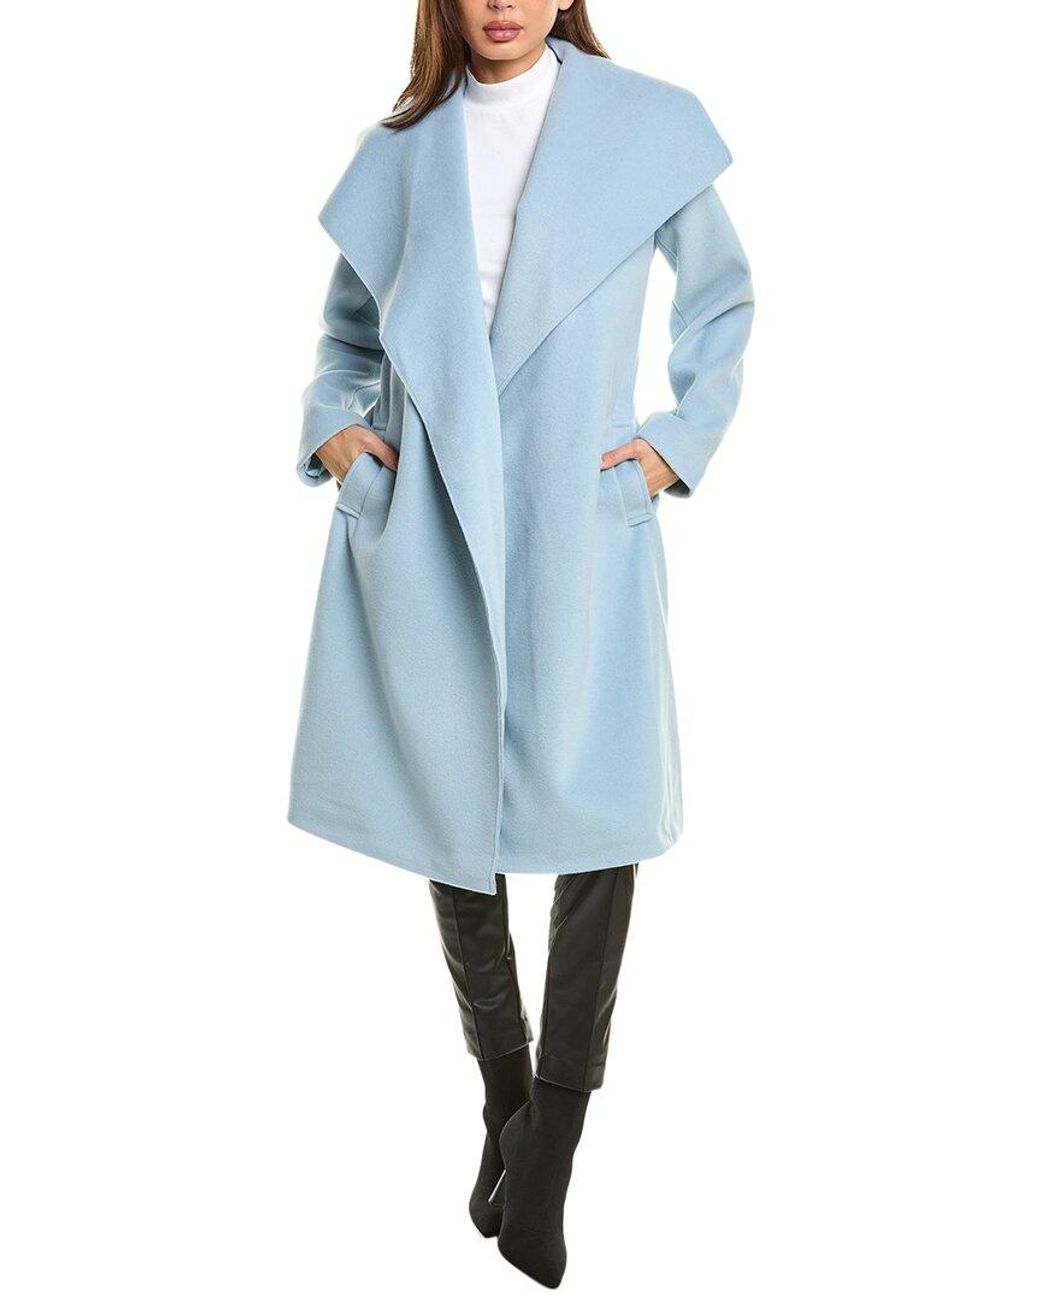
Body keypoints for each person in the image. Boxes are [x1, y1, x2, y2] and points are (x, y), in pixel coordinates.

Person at [289, 1, 754, 1285]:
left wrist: (674, 443)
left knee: (600, 812)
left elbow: (721, 301)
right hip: (431, 513)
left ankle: (550, 1139)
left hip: (573, 512)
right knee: (453, 802)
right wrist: (335, 426)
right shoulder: (399, 154)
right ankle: (506, 1098)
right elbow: (346, 334)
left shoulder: (646, 126)